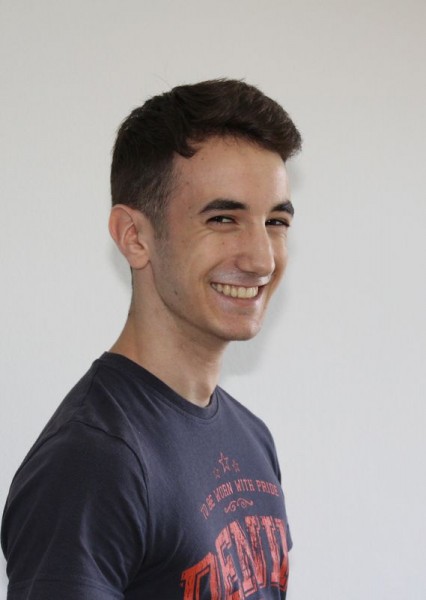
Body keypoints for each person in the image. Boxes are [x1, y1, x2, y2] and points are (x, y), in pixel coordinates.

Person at [1, 78, 302, 599]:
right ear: (133, 236)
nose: (261, 258)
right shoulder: (92, 458)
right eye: (223, 218)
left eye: (275, 221)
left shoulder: (252, 438)